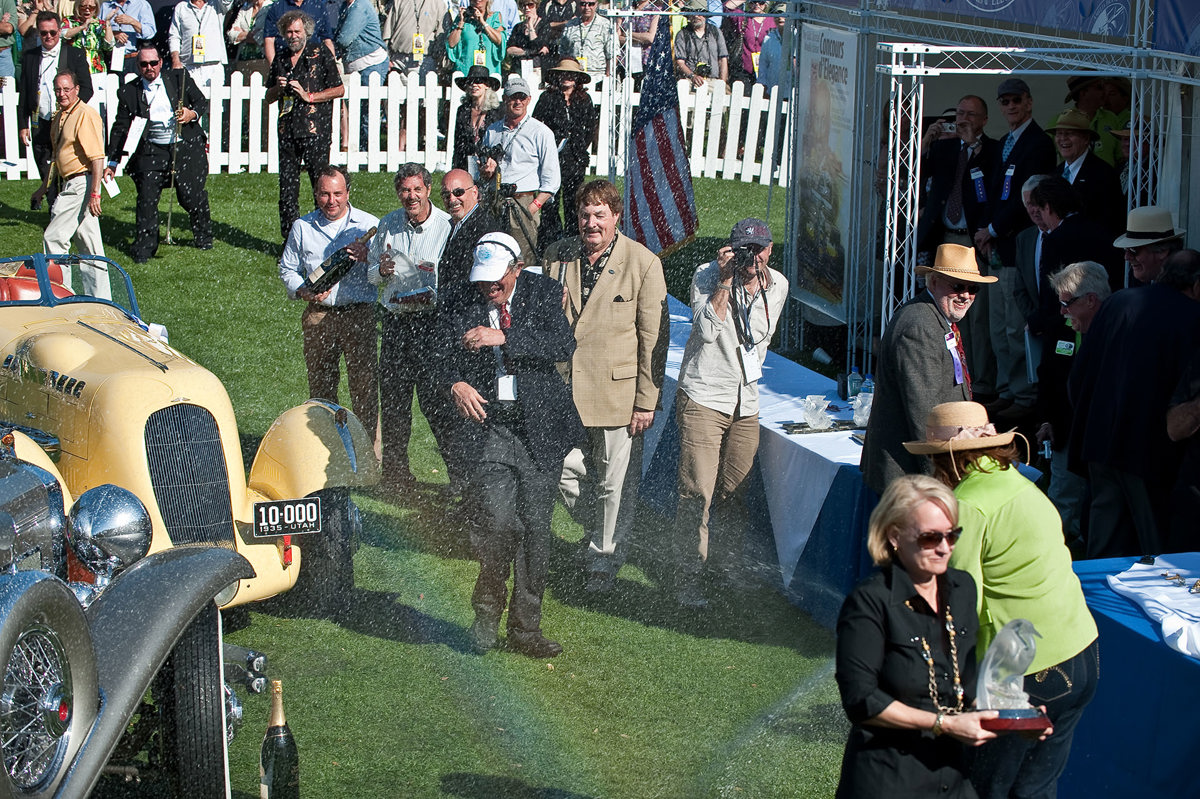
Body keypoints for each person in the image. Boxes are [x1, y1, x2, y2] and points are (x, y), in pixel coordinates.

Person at [905, 401, 1094, 799]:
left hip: (1028, 674)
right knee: (1036, 788)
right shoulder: (1019, 481)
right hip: (1080, 656)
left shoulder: (970, 505)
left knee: (987, 786)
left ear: (950, 461)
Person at [438, 231, 583, 658]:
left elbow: (563, 345)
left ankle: (525, 630)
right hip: (491, 429)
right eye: (483, 283)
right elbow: (435, 352)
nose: (489, 290)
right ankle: (486, 612)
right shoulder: (459, 298)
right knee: (499, 523)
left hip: (539, 429)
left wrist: (506, 339)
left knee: (537, 532)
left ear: (516, 269)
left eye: (497, 282)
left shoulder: (544, 292)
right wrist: (456, 382)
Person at [835, 474, 998, 799]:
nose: (944, 548)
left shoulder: (963, 587)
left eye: (953, 536)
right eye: (929, 538)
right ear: (894, 536)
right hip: (890, 778)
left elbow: (963, 680)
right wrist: (945, 724)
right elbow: (860, 700)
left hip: (953, 775)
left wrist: (1010, 717)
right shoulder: (870, 601)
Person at [544, 180, 668, 593]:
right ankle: (602, 529)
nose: (591, 222)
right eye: (584, 214)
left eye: (600, 214)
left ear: (616, 217)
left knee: (614, 484)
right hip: (564, 392)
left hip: (618, 395)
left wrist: (646, 401)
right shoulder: (558, 256)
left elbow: (653, 339)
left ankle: (603, 557)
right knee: (560, 467)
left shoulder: (644, 263)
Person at [673, 219, 787, 608]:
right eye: (743, 249)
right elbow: (706, 331)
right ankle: (689, 576)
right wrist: (724, 281)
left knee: (735, 492)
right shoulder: (706, 275)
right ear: (729, 248)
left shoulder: (780, 285)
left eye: (757, 249)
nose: (750, 257)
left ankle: (726, 568)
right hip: (704, 395)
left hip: (746, 402)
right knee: (696, 493)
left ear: (770, 250)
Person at [1069, 249, 1200, 557]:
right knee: (1156, 551)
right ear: (1196, 285)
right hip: (1152, 452)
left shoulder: (1118, 302)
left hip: (1101, 443)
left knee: (1103, 546)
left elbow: (1078, 375)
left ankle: (1093, 603)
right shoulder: (1193, 318)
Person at [861, 243, 996, 495]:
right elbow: (924, 414)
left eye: (972, 288)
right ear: (933, 282)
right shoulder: (919, 326)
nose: (965, 295)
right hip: (909, 478)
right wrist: (942, 480)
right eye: (956, 286)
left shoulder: (938, 318)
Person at [367, 163, 458, 493]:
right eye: (405, 190)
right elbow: (372, 278)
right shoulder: (388, 224)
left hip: (430, 324)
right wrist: (381, 268)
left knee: (436, 403)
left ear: (428, 190)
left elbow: (453, 279)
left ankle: (459, 477)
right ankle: (394, 475)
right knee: (394, 402)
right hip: (395, 323)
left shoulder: (447, 226)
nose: (411, 196)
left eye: (417, 189)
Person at [277, 165, 380, 444]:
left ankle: (369, 454)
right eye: (324, 194)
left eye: (337, 193)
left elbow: (387, 269)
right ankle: (327, 450)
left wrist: (370, 256)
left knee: (365, 388)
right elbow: (287, 268)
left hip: (359, 313)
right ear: (316, 194)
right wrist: (302, 291)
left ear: (348, 192)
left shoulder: (369, 225)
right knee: (321, 388)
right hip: (318, 315)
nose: (331, 201)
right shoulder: (303, 227)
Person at [973, 78, 1056, 405]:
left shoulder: (1038, 144)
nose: (1010, 106)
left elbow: (1026, 201)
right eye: (1004, 101)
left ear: (1029, 102)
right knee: (997, 328)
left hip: (1016, 244)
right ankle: (1006, 390)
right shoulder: (1007, 141)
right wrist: (987, 231)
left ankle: (1022, 396)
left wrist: (991, 229)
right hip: (996, 246)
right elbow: (994, 195)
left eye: (1016, 100)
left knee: (1013, 326)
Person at [104, 43, 212, 263]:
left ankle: (204, 237)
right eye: (144, 64)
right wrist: (113, 161)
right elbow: (120, 127)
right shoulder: (128, 91)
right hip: (151, 149)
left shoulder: (178, 79)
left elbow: (201, 102)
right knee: (147, 198)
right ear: (138, 66)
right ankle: (143, 249)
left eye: (153, 63)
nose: (149, 68)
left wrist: (191, 114)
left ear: (161, 63)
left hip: (183, 144)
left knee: (190, 196)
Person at [1036, 261, 1112, 546]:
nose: (1062, 311)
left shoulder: (1118, 330)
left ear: (1091, 300)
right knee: (1061, 499)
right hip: (1066, 430)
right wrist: (1045, 420)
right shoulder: (1060, 327)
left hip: (1104, 440)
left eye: (1067, 303)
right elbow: (1047, 378)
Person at [265, 9, 343, 239]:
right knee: (287, 190)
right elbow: (268, 97)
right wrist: (278, 88)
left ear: (306, 32)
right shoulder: (280, 57)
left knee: (321, 186)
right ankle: (290, 240)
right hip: (287, 131)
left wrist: (309, 96)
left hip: (315, 130)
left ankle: (323, 236)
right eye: (288, 32)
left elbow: (339, 89)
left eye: (297, 31)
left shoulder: (320, 54)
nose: (293, 36)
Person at [32, 71, 110, 298]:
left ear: (77, 89)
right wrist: (43, 187)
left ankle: (61, 296)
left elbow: (96, 157)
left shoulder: (84, 114)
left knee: (54, 238)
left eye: (67, 89)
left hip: (82, 183)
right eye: (58, 89)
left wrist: (95, 193)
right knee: (90, 246)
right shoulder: (61, 115)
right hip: (71, 183)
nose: (62, 94)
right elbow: (56, 158)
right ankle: (101, 301)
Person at [478, 74, 559, 262]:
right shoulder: (492, 130)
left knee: (522, 258)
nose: (517, 101)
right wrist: (486, 173)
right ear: (505, 99)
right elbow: (481, 171)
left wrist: (533, 207)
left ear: (529, 100)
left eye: (522, 97)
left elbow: (552, 180)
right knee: (493, 254)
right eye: (513, 97)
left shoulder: (540, 132)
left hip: (523, 200)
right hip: (495, 199)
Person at [17, 12, 93, 207]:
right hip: (40, 123)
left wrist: (70, 111)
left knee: (67, 171)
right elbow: (24, 93)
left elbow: (86, 88)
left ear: (60, 31)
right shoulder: (29, 57)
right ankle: (54, 211)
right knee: (46, 170)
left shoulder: (74, 54)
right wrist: (22, 125)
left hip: (66, 124)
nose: (48, 37)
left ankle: (65, 210)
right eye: (44, 33)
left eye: (52, 32)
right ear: (38, 34)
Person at [531, 56, 596, 244]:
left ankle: (574, 240)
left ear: (577, 78)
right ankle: (549, 241)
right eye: (563, 74)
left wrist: (579, 146)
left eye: (571, 74)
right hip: (552, 157)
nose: (567, 78)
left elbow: (590, 128)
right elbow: (537, 124)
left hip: (575, 159)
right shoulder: (547, 98)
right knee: (549, 201)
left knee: (573, 203)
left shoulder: (584, 100)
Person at [1045, 108, 1122, 237]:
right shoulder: (1054, 175)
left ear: (1086, 139)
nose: (1062, 139)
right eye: (1059, 133)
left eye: (1069, 133)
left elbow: (1110, 223)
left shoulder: (1103, 174)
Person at [335, 0, 388, 147]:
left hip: (371, 63)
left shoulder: (359, 6)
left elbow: (345, 38)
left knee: (368, 112)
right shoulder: (347, 6)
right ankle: (360, 147)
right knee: (360, 110)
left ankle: (367, 150)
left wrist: (330, 46)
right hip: (359, 65)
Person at [440, 168, 503, 286]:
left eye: (458, 192)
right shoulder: (455, 224)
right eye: (446, 194)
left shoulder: (484, 229)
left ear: (474, 192)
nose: (452, 199)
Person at [1113, 204, 1185, 285]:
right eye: (1126, 249)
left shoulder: (1186, 290)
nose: (1126, 257)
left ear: (1162, 251)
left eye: (1133, 250)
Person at [167, 0, 227, 96]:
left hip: (213, 66)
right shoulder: (181, 7)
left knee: (216, 107)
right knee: (192, 105)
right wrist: (176, 60)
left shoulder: (217, 4)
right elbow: (174, 36)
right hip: (189, 66)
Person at [450, 64, 502, 174]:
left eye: (478, 81)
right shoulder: (462, 110)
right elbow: (458, 143)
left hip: (489, 164)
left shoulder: (496, 111)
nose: (474, 85)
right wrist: (456, 169)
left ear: (487, 85)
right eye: (471, 82)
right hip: (465, 162)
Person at [558, 0, 612, 87]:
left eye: (591, 4)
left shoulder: (606, 25)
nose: (587, 7)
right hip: (574, 77)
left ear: (596, 5)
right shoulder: (570, 25)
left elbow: (612, 54)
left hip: (597, 77)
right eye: (583, 4)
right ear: (578, 5)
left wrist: (608, 76)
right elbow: (562, 52)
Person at [379, 0, 442, 75]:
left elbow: (442, 37)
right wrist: (386, 58)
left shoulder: (439, 4)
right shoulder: (399, 1)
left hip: (423, 61)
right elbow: (387, 32)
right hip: (397, 60)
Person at [673, 0, 727, 86]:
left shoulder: (716, 32)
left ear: (705, 15)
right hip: (689, 82)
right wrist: (692, 76)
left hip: (713, 81)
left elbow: (723, 59)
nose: (696, 16)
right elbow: (680, 62)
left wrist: (722, 83)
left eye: (700, 13)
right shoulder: (682, 34)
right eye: (693, 13)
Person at [261, 0, 332, 63]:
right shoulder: (277, 7)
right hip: (284, 61)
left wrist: (332, 64)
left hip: (314, 61)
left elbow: (327, 40)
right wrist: (275, 68)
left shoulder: (318, 6)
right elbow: (269, 39)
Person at [446, 0, 504, 76]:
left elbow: (499, 40)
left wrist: (483, 22)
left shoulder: (495, 17)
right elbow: (451, 44)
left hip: (488, 70)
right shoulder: (462, 18)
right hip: (466, 70)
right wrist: (461, 22)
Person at [99, 0, 155, 71]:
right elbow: (97, 32)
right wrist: (114, 34)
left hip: (133, 59)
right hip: (111, 58)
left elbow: (150, 33)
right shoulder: (105, 6)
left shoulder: (141, 4)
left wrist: (132, 22)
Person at [61, 0, 114, 74]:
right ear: (78, 7)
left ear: (96, 9)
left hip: (95, 69)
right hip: (73, 67)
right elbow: (63, 35)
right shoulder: (69, 21)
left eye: (91, 7)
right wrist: (82, 27)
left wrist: (107, 22)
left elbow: (109, 46)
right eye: (83, 7)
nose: (87, 10)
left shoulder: (100, 24)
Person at [505, 0, 553, 75]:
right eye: (523, 6)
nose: (527, 8)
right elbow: (509, 50)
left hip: (537, 68)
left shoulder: (544, 25)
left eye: (530, 5)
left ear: (536, 6)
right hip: (518, 67)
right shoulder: (518, 27)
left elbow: (537, 45)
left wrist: (530, 25)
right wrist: (529, 52)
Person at [226, 0, 271, 73]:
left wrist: (241, 34)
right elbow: (231, 34)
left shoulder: (270, 7)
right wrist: (252, 35)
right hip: (242, 59)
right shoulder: (245, 8)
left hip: (262, 59)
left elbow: (264, 36)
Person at [754, 2, 784, 90]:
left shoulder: (797, 37)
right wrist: (762, 84)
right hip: (772, 87)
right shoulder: (768, 38)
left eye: (783, 14)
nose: (780, 17)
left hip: (791, 88)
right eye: (777, 14)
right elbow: (763, 64)